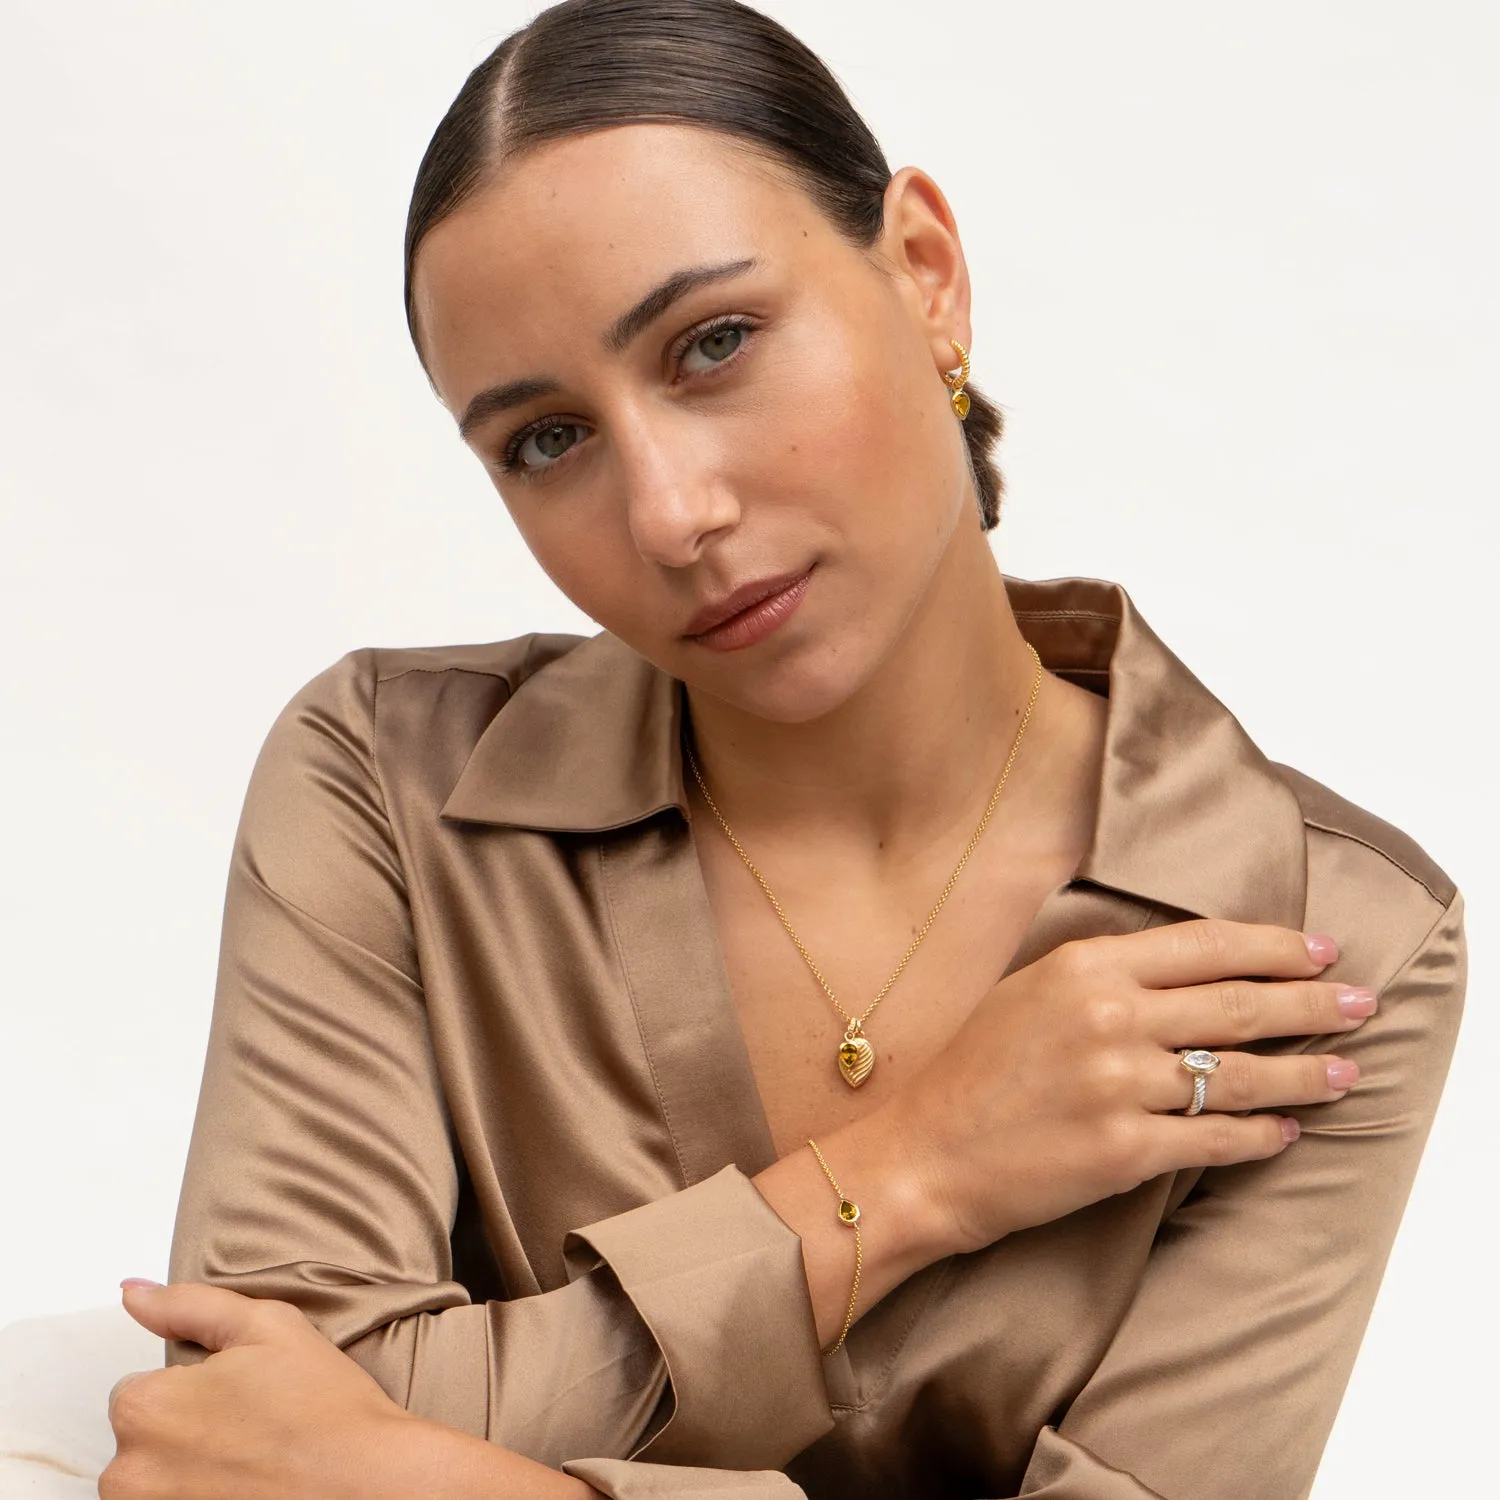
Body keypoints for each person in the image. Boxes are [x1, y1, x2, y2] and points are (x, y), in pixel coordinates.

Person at [107, 2, 1466, 1497]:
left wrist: (451, 1476)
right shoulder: (385, 788)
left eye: (715, 343)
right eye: (546, 440)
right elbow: (233, 1439)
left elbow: (319, 1466)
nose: (670, 514)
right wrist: (912, 1171)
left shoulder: (1322, 945)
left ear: (929, 278)